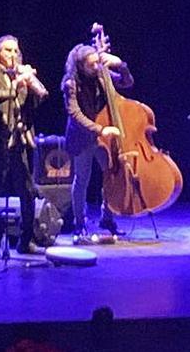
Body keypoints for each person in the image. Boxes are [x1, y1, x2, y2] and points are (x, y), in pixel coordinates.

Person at [0, 35, 48, 255]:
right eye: (8, 51)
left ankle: (25, 241)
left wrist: (32, 83)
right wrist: (14, 87)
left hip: (20, 141)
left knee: (27, 192)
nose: (13, 55)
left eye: (16, 51)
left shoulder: (20, 75)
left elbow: (38, 99)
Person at [62, 43, 133, 237]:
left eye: (97, 63)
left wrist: (120, 65)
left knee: (111, 177)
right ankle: (79, 222)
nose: (96, 67)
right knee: (82, 180)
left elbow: (127, 83)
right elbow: (75, 114)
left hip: (104, 139)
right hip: (83, 138)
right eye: (91, 65)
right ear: (81, 66)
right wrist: (100, 129)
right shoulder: (71, 83)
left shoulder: (102, 75)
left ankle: (107, 218)